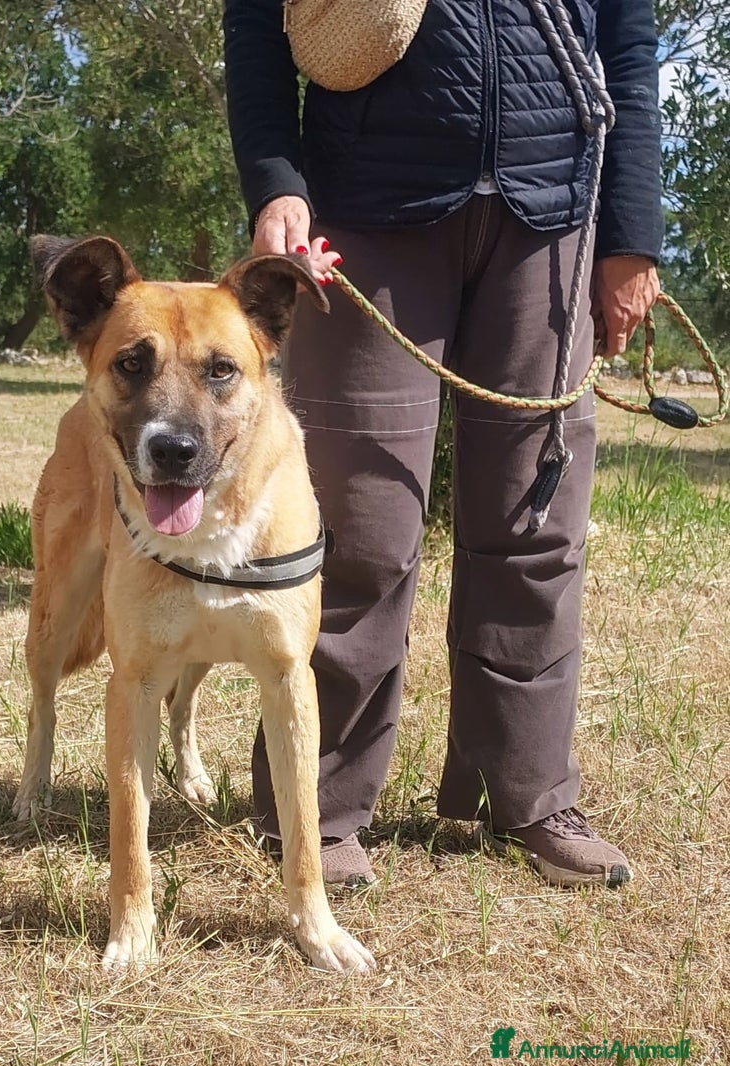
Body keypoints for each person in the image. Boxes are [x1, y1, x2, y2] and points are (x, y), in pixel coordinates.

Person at [223, 0, 663, 888]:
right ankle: (318, 804)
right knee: (359, 522)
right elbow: (254, 23)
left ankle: (529, 793)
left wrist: (631, 234)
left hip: (552, 214)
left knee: (536, 518)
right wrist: (275, 177)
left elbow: (628, 40)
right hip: (368, 207)